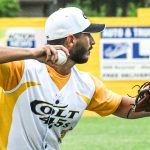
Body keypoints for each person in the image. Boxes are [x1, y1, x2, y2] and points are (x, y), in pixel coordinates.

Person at [0, 7, 150, 150]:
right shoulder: (21, 70)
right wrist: (32, 53)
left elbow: (122, 107)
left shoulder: (87, 85)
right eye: (88, 35)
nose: (93, 41)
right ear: (71, 40)